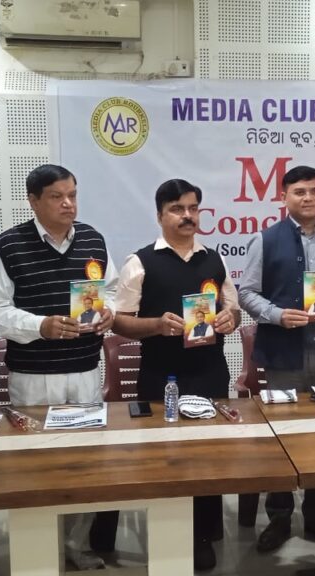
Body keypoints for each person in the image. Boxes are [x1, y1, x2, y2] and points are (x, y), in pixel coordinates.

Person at [0, 164, 119, 564]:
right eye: (57, 197)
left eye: (72, 195)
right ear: (34, 201)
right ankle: (39, 552)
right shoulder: (9, 245)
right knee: (36, 465)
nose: (68, 204)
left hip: (85, 371)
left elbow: (110, 290)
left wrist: (108, 312)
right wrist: (40, 326)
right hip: (34, 376)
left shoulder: (92, 239)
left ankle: (75, 546)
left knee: (84, 464)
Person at [112, 178, 240, 572]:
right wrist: (155, 325)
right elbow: (119, 321)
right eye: (177, 209)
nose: (187, 216)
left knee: (209, 456)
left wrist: (229, 319)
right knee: (165, 458)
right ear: (160, 215)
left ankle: (204, 532)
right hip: (160, 376)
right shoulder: (140, 262)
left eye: (193, 208)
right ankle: (171, 532)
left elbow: (233, 310)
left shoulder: (214, 259)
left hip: (210, 373)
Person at [239, 165, 315, 553]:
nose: (307, 198)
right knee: (282, 439)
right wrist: (276, 315)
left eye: (314, 191)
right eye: (299, 192)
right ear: (284, 197)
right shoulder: (265, 239)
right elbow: (246, 292)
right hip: (284, 356)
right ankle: (279, 518)